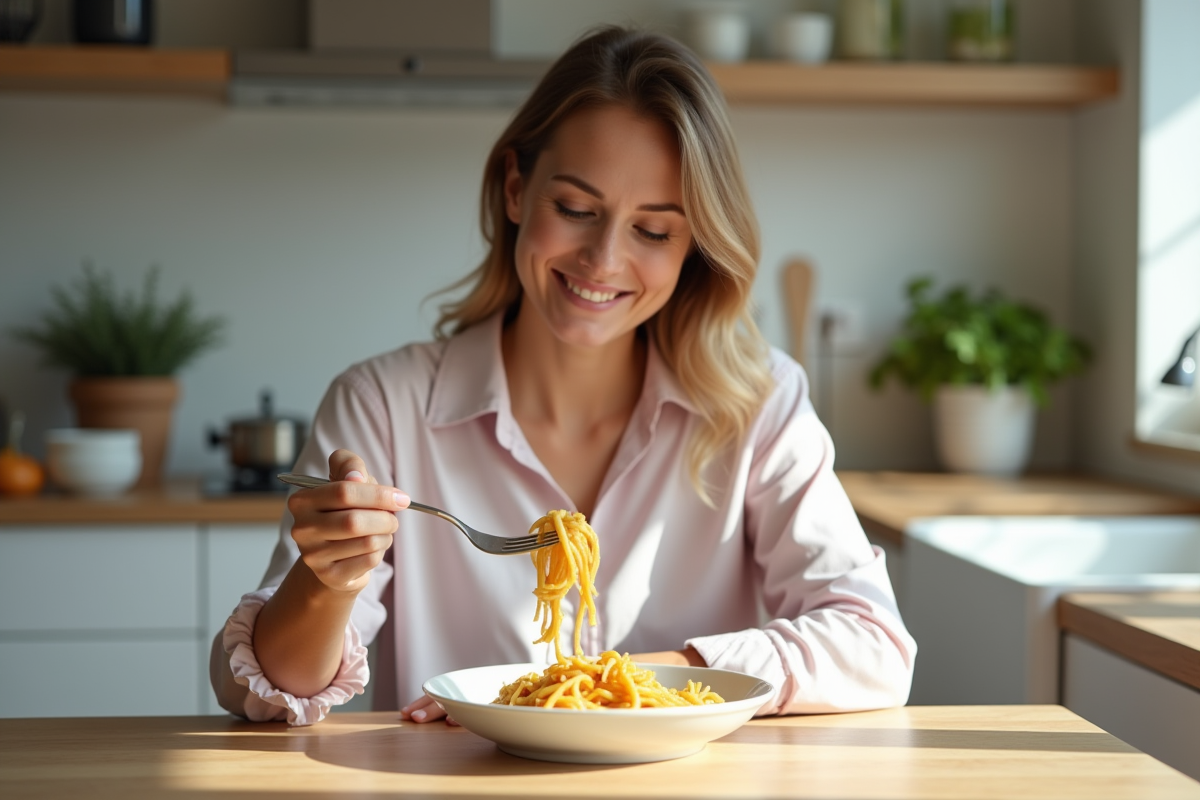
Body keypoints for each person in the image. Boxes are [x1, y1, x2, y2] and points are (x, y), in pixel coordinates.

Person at [210, 25, 916, 726]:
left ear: (693, 246)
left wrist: (626, 685)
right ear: (517, 190)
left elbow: (874, 643)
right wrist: (327, 581)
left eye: (654, 230)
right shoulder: (383, 407)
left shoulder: (758, 403)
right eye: (576, 209)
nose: (603, 260)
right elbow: (261, 693)